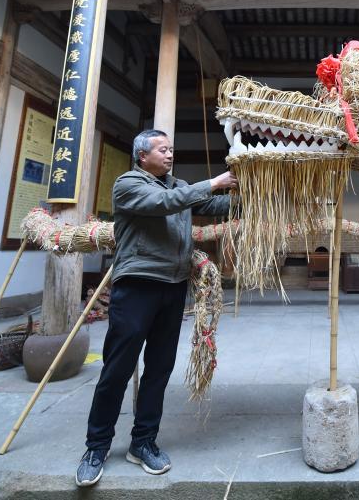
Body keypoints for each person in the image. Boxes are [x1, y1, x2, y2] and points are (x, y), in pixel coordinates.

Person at [76, 129, 238, 487]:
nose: (169, 155)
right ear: (142, 156)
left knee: (159, 368)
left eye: (171, 149)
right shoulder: (129, 184)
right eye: (162, 150)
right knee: (118, 368)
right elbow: (164, 203)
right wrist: (214, 181)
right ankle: (96, 446)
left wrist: (255, 196)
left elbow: (208, 205)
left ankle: (143, 442)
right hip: (137, 286)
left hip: (173, 287)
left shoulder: (175, 185)